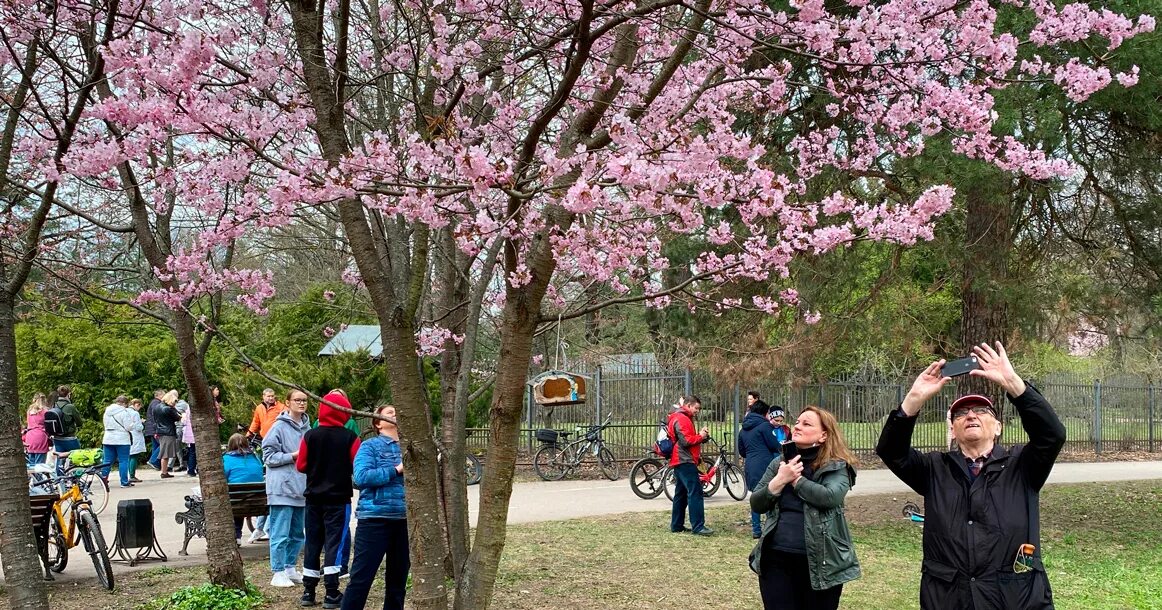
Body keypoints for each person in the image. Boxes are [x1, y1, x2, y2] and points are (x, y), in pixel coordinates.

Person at [875, 342, 1066, 609]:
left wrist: (1014, 384)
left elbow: (1052, 435)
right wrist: (913, 401)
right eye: (961, 413)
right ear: (952, 430)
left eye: (982, 411)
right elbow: (891, 451)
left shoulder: (1023, 465)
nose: (971, 415)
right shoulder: (934, 469)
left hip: (1014, 598)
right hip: (949, 598)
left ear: (998, 427)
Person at [749, 405, 861, 610]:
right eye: (797, 422)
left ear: (824, 435)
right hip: (776, 559)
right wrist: (779, 481)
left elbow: (830, 497)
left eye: (806, 423)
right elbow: (757, 503)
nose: (797, 426)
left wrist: (795, 481)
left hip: (821, 561)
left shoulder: (837, 466)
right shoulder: (779, 464)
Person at [340, 404, 409, 610]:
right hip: (374, 520)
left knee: (398, 582)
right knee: (361, 579)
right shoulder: (370, 446)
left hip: (405, 520)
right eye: (389, 412)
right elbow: (361, 477)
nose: (395, 414)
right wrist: (396, 469)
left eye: (397, 411)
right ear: (378, 423)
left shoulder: (411, 446)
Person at [296, 391, 361, 607]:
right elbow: (357, 467)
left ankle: (308, 591)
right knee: (335, 542)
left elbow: (301, 465)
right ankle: (332, 592)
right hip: (338, 498)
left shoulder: (310, 435)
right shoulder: (350, 437)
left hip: (313, 498)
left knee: (313, 542)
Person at [263, 389, 311, 588]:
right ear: (288, 402)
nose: (301, 403)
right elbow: (267, 456)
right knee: (280, 533)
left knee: (298, 533)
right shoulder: (278, 427)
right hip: (281, 489)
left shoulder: (308, 428)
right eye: (297, 400)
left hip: (302, 488)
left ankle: (290, 567)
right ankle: (278, 571)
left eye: (304, 400)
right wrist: (293, 455)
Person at [668, 394, 713, 536]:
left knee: (681, 493)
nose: (698, 411)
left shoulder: (681, 417)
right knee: (695, 492)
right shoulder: (682, 419)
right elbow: (686, 441)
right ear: (688, 405)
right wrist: (700, 436)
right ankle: (698, 526)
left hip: (681, 459)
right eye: (696, 408)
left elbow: (687, 440)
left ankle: (677, 525)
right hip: (684, 460)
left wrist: (701, 438)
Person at [738, 398, 779, 538]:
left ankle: (756, 530)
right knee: (769, 495)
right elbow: (774, 445)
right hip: (765, 464)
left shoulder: (743, 429)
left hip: (750, 465)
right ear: (764, 413)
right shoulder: (765, 426)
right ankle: (770, 527)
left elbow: (741, 450)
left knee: (755, 496)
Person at [223, 433, 265, 545]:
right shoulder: (256, 458)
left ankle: (237, 536)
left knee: (235, 499)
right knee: (240, 498)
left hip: (237, 503)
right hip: (259, 502)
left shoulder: (226, 459)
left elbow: (223, 478)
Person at [101, 395, 142, 487]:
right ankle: (124, 482)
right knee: (123, 460)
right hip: (122, 439)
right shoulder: (124, 412)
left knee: (107, 461)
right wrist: (133, 424)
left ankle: (103, 479)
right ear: (124, 403)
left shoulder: (107, 412)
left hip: (108, 438)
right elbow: (128, 427)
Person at [51, 385, 83, 473]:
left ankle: (60, 480)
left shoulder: (54, 406)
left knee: (60, 459)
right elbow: (79, 422)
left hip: (57, 438)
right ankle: (75, 478)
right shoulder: (70, 407)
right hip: (70, 438)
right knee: (76, 457)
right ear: (68, 394)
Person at [153, 390, 183, 478]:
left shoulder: (157, 407)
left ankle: (164, 471)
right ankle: (164, 472)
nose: (174, 404)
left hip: (160, 431)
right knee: (165, 454)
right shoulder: (168, 409)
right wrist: (175, 409)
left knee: (165, 452)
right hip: (168, 432)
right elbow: (178, 417)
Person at [23, 393, 51, 466]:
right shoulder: (46, 412)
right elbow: (49, 426)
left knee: (31, 465)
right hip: (40, 437)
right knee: (40, 465)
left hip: (29, 437)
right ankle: (39, 477)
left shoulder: (29, 411)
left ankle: (33, 477)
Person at [126, 398, 146, 483]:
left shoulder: (125, 411)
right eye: (139, 406)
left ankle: (128, 474)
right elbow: (138, 427)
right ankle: (132, 475)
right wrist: (142, 423)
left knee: (129, 456)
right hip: (135, 436)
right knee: (134, 455)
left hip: (127, 435)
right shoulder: (135, 413)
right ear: (137, 405)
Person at [145, 389, 164, 469]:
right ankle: (153, 460)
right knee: (163, 445)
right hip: (154, 428)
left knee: (156, 446)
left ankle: (156, 464)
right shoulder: (156, 403)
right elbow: (156, 415)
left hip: (151, 428)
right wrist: (158, 428)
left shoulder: (153, 402)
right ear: (159, 395)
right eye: (163, 395)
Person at [181, 407, 198, 476]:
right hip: (194, 433)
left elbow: (184, 421)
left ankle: (191, 470)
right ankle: (191, 470)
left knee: (192, 452)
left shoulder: (188, 409)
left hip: (189, 434)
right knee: (193, 453)